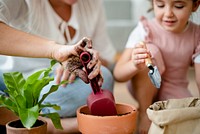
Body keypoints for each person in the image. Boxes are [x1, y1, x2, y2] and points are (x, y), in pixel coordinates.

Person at [0, 0, 116, 133]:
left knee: (104, 77)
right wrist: (55, 51)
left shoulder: (92, 4)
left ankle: (26, 119)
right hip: (6, 81)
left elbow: (106, 57)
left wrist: (85, 63)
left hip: (51, 87)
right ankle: (54, 125)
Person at [113, 0, 200, 134]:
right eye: (160, 5)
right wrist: (135, 64)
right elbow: (118, 74)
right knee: (150, 50)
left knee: (186, 120)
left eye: (178, 6)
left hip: (174, 87)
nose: (168, 13)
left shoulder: (196, 34)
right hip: (144, 87)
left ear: (195, 5)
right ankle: (144, 110)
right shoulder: (145, 29)